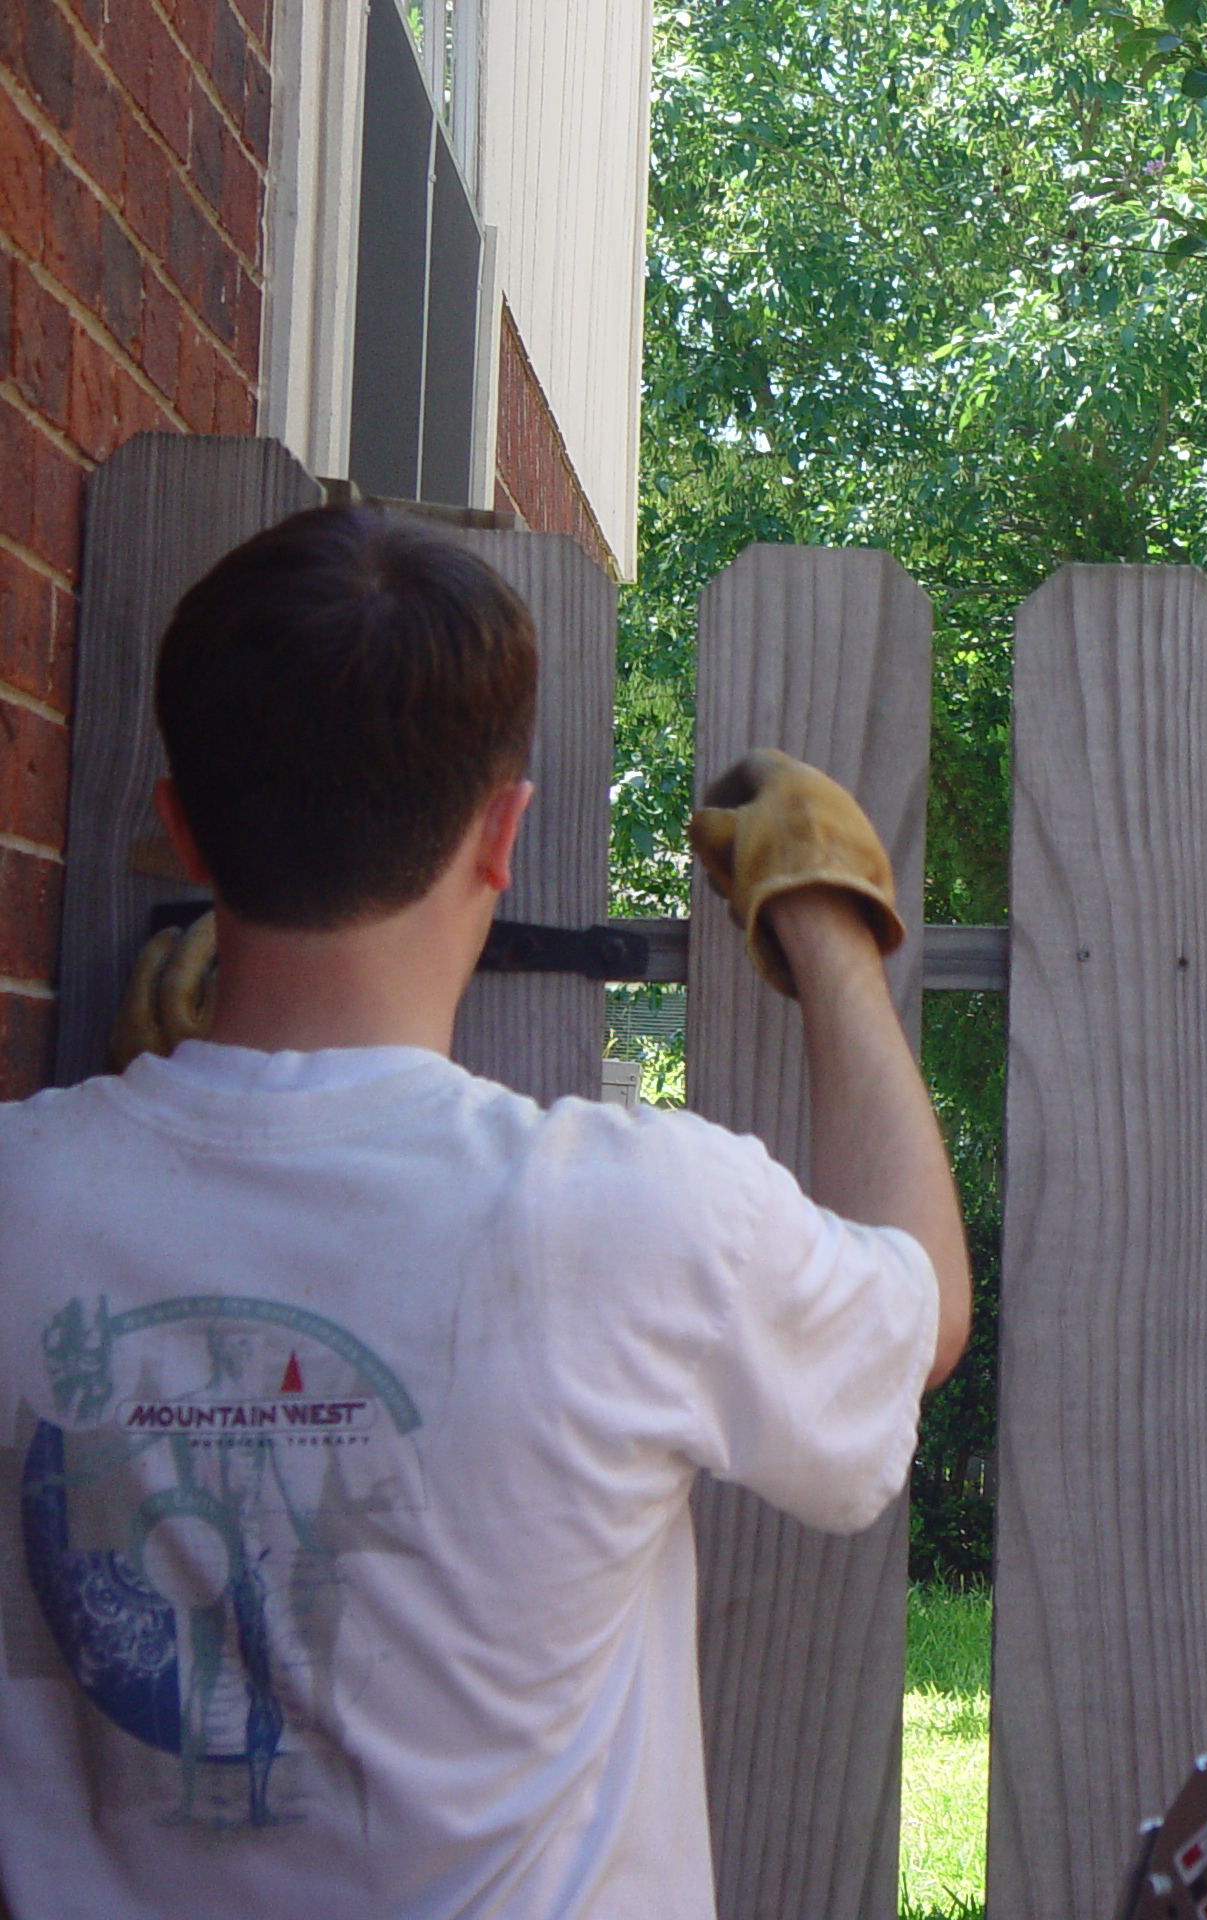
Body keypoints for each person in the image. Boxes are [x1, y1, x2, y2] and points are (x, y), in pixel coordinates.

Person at [0, 505, 969, 1917]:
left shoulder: (24, 1197)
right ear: (502, 835)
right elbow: (921, 1309)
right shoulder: (641, 1219)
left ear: (182, 831)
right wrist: (827, 929)